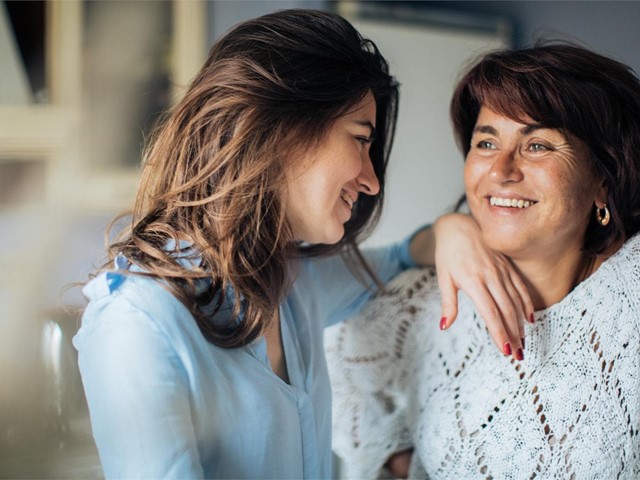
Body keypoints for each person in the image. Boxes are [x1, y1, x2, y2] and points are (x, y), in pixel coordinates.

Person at [73, 9, 531, 479]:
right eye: (359, 140)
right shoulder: (138, 323)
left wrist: (455, 229)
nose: (372, 181)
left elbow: (397, 259)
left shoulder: (291, 279)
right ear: (281, 130)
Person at [327, 41, 640, 479]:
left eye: (538, 146)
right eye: (487, 141)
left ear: (604, 181)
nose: (501, 170)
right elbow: (344, 360)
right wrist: (397, 463)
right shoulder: (426, 303)